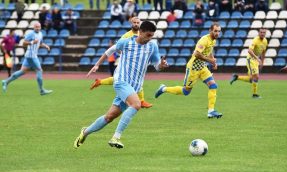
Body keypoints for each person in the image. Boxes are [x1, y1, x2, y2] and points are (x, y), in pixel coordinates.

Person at [73, 21, 168, 149]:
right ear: (140, 32)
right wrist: (97, 65)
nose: (149, 38)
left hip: (134, 87)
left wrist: (161, 66)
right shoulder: (126, 42)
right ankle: (115, 137)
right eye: (147, 35)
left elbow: (157, 65)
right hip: (121, 81)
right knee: (136, 104)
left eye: (151, 36)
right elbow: (109, 51)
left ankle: (85, 132)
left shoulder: (152, 46)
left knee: (109, 117)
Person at [154, 23, 222, 119]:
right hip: (193, 68)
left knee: (213, 86)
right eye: (215, 31)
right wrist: (210, 60)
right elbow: (197, 54)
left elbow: (209, 51)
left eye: (219, 31)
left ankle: (211, 111)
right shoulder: (204, 40)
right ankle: (163, 89)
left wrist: (213, 62)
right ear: (210, 30)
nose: (217, 33)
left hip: (202, 68)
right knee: (185, 91)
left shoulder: (213, 41)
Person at [90, 17, 153, 109]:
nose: (136, 24)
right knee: (125, 79)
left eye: (138, 22)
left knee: (130, 78)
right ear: (131, 24)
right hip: (126, 61)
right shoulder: (126, 36)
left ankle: (100, 82)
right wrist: (126, 54)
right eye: (134, 22)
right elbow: (116, 48)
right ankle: (141, 101)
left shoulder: (142, 35)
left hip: (136, 61)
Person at [2, 22, 52, 96]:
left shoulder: (41, 34)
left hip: (30, 56)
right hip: (31, 55)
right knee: (39, 70)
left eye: (39, 27)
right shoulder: (31, 34)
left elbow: (40, 43)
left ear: (40, 27)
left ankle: (6, 82)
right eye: (36, 27)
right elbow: (24, 43)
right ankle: (41, 90)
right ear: (33, 27)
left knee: (22, 71)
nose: (37, 28)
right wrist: (32, 42)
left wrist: (46, 46)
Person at [230, 28, 268, 98]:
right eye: (261, 32)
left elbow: (263, 52)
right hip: (250, 59)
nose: (262, 34)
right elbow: (249, 51)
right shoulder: (255, 40)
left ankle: (236, 77)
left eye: (264, 32)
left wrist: (262, 62)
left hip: (256, 60)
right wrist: (257, 58)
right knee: (256, 77)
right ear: (259, 33)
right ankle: (255, 94)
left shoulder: (265, 41)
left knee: (252, 79)